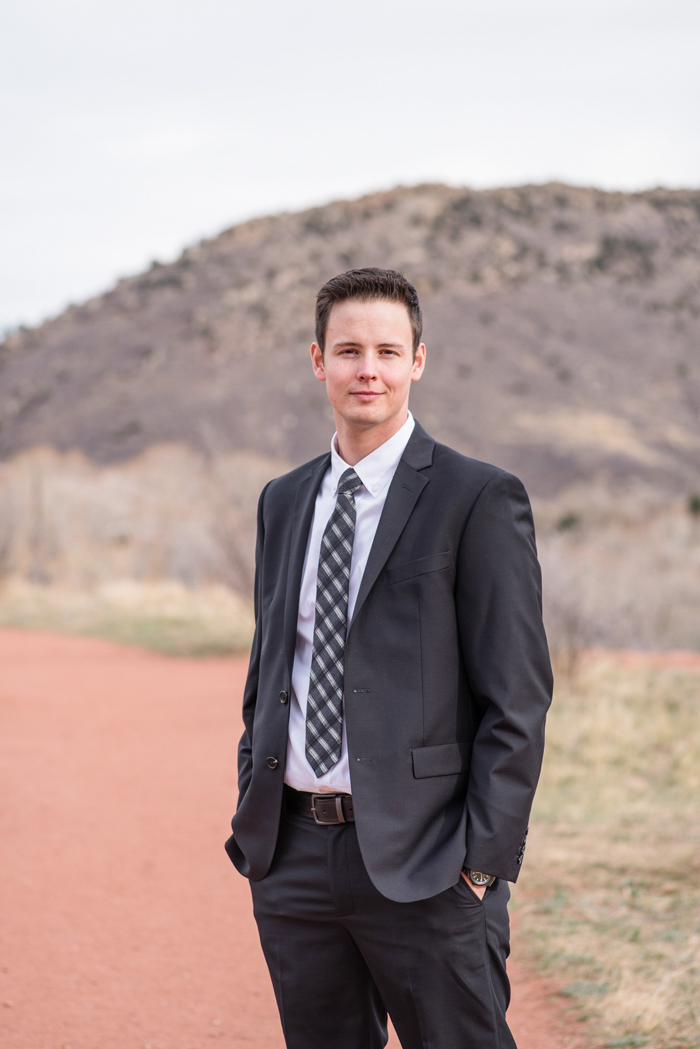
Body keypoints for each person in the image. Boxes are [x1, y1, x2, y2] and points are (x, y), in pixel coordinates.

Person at [225, 267, 553, 1049]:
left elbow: (518, 698)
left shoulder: (477, 498)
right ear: (317, 361)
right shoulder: (283, 499)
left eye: (385, 350)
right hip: (295, 854)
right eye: (347, 350)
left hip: (429, 862)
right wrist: (255, 797)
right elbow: (272, 666)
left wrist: (481, 863)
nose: (365, 368)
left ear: (418, 361)